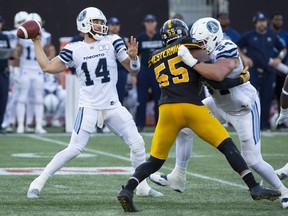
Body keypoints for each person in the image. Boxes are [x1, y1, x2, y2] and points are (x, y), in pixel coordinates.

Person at [117, 19, 280, 212]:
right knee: (227, 146)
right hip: (191, 107)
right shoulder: (191, 48)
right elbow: (216, 81)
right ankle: (254, 186)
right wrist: (242, 77)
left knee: (154, 160)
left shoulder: (155, 56)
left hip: (167, 110)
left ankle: (128, 189)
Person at [26, 7, 162, 199]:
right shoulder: (74, 49)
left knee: (138, 143)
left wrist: (133, 58)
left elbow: (133, 70)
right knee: (74, 148)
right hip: (89, 106)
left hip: (112, 105)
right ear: (84, 24)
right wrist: (37, 41)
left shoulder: (113, 40)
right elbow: (46, 66)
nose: (101, 25)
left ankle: (141, 187)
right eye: (96, 22)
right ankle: (38, 181)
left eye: (101, 22)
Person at [237, 11, 286, 131]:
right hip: (252, 70)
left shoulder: (272, 36)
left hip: (268, 71)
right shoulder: (248, 35)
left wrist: (279, 58)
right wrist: (244, 57)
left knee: (267, 98)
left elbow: (283, 49)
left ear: (266, 22)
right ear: (255, 23)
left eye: (263, 21)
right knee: (250, 98)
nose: (261, 24)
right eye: (259, 21)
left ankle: (264, 125)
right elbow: (237, 47)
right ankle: (249, 124)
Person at [16, 12, 50, 134]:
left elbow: (48, 52)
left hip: (38, 69)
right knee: (22, 97)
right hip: (25, 68)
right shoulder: (22, 35)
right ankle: (20, 124)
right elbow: (18, 53)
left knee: (39, 99)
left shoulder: (45, 36)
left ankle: (38, 125)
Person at [1, 11, 28, 133]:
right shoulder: (10, 34)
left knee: (8, 99)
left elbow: (14, 55)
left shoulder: (6, 37)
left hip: (9, 70)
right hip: (10, 70)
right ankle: (7, 122)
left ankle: (5, 124)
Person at [136, 14, 163, 131]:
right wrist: (133, 74)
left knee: (159, 97)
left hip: (158, 70)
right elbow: (134, 56)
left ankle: (159, 123)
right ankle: (140, 124)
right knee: (141, 98)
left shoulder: (161, 36)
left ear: (156, 24)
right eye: (148, 22)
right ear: (145, 24)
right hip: (144, 69)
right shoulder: (141, 38)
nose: (150, 24)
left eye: (152, 22)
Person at [270, 12, 288, 129]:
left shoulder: (285, 36)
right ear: (272, 21)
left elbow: (284, 50)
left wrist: (280, 60)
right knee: (266, 96)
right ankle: (264, 122)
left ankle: (282, 120)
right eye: (276, 19)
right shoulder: (267, 34)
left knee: (282, 93)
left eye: (280, 20)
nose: (278, 22)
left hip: (282, 69)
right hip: (268, 71)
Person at [107, 17, 129, 104]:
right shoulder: (103, 40)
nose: (115, 27)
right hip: (107, 72)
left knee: (120, 96)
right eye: (112, 25)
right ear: (108, 26)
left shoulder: (123, 40)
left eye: (117, 25)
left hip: (120, 71)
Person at [0, 15, 11, 134]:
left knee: (3, 100)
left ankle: (0, 125)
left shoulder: (5, 37)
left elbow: (10, 54)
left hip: (3, 72)